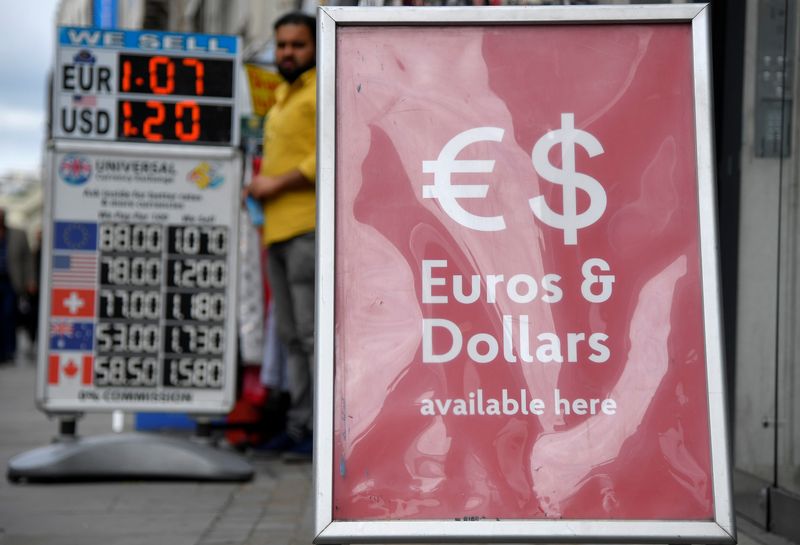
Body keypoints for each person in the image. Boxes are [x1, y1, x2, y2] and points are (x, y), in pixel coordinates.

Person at [244, 11, 317, 460]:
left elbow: (331, 151)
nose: (287, 53)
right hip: (277, 230)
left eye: (297, 45)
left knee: (309, 336)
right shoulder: (283, 97)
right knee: (290, 336)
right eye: (282, 45)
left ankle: (316, 434)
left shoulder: (320, 92)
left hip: (308, 228)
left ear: (314, 46)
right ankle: (297, 426)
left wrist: (275, 183)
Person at [0, 209, 36, 363]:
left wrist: (30, 279)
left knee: (9, 316)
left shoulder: (18, 234)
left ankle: (8, 351)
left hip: (11, 282)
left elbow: (27, 259)